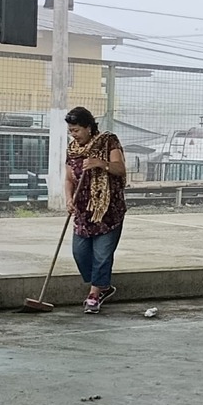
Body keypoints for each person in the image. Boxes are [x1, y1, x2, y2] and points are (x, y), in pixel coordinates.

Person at [63, 106, 126, 313]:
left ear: (88, 127)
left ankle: (94, 294)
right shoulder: (72, 149)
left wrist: (100, 163)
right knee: (80, 253)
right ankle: (103, 285)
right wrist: (69, 199)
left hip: (108, 210)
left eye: (76, 130)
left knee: (102, 255)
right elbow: (69, 178)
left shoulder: (108, 141)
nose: (73, 134)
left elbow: (120, 169)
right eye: (71, 131)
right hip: (83, 211)